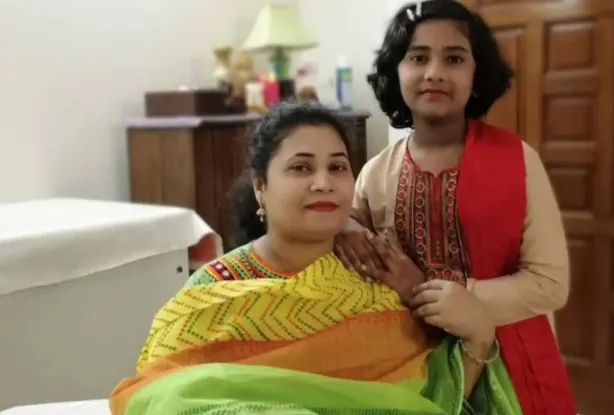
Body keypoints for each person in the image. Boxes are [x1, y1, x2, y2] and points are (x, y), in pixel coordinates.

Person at [109, 102, 521, 415]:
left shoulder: (379, 279)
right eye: (301, 168)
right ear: (260, 187)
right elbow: (161, 397)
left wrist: (479, 337)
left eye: (337, 167)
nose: (323, 183)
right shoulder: (215, 288)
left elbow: (435, 400)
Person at [334, 2, 575, 415]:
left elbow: (550, 284)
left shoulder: (517, 161)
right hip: (408, 362)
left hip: (509, 358)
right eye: (418, 58)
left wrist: (452, 294)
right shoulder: (375, 174)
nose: (435, 72)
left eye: (454, 59)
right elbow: (352, 256)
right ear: (396, 71)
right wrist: (345, 226)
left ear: (477, 74)